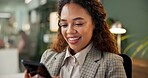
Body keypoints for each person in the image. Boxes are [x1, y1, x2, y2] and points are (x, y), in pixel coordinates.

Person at [25, 0, 127, 78]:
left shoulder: (111, 63)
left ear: (95, 23)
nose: (69, 31)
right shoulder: (49, 57)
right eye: (64, 24)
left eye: (78, 23)